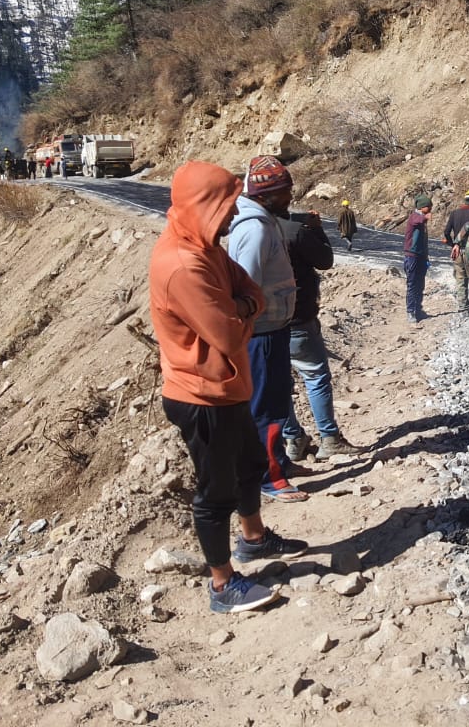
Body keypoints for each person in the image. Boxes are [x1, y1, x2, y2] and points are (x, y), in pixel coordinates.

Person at [148, 160, 306, 613]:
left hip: (228, 386)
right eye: (226, 207)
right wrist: (246, 305)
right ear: (203, 207)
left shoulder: (207, 246)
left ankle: (253, 540)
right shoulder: (182, 266)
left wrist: (244, 303)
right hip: (201, 396)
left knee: (250, 465)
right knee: (215, 493)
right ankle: (222, 585)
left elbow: (248, 291)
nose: (235, 217)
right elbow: (232, 332)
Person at [227, 155, 307, 503]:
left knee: (276, 400)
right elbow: (246, 284)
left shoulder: (264, 219)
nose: (291, 196)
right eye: (286, 191)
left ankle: (279, 463)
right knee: (266, 406)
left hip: (271, 328)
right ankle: (269, 477)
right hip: (261, 333)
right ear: (269, 193)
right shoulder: (256, 228)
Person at [278, 208, 362, 461]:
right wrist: (315, 228)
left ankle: (293, 439)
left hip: (262, 325)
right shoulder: (295, 232)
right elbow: (325, 260)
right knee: (315, 376)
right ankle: (329, 438)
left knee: (279, 385)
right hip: (298, 319)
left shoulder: (248, 231)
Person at [443, 189, 469, 318]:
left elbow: (446, 232)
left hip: (458, 252)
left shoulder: (454, 214)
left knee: (461, 279)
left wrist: (453, 245)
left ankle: (462, 308)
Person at [403, 194, 434, 323]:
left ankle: (418, 309)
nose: (431, 208)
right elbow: (417, 220)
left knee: (420, 284)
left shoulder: (421, 218)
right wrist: (425, 217)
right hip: (412, 256)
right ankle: (410, 312)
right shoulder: (415, 216)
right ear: (422, 207)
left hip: (421, 256)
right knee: (412, 284)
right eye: (428, 206)